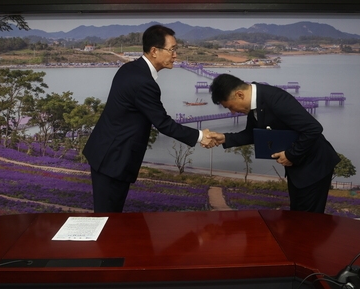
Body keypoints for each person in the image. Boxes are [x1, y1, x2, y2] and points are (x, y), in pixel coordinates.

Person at [83, 24, 214, 213]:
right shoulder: (143, 82)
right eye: (172, 50)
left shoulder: (130, 69)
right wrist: (201, 136)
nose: (175, 55)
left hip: (106, 153)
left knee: (108, 218)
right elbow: (164, 124)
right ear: (154, 51)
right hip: (113, 159)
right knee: (108, 220)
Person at [208, 73, 339, 213]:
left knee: (308, 221)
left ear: (240, 95)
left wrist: (291, 155)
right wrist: (224, 137)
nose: (233, 112)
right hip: (299, 169)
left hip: (315, 166)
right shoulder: (255, 103)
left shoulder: (276, 99)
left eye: (231, 106)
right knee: (298, 217)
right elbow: (252, 134)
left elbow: (313, 129)